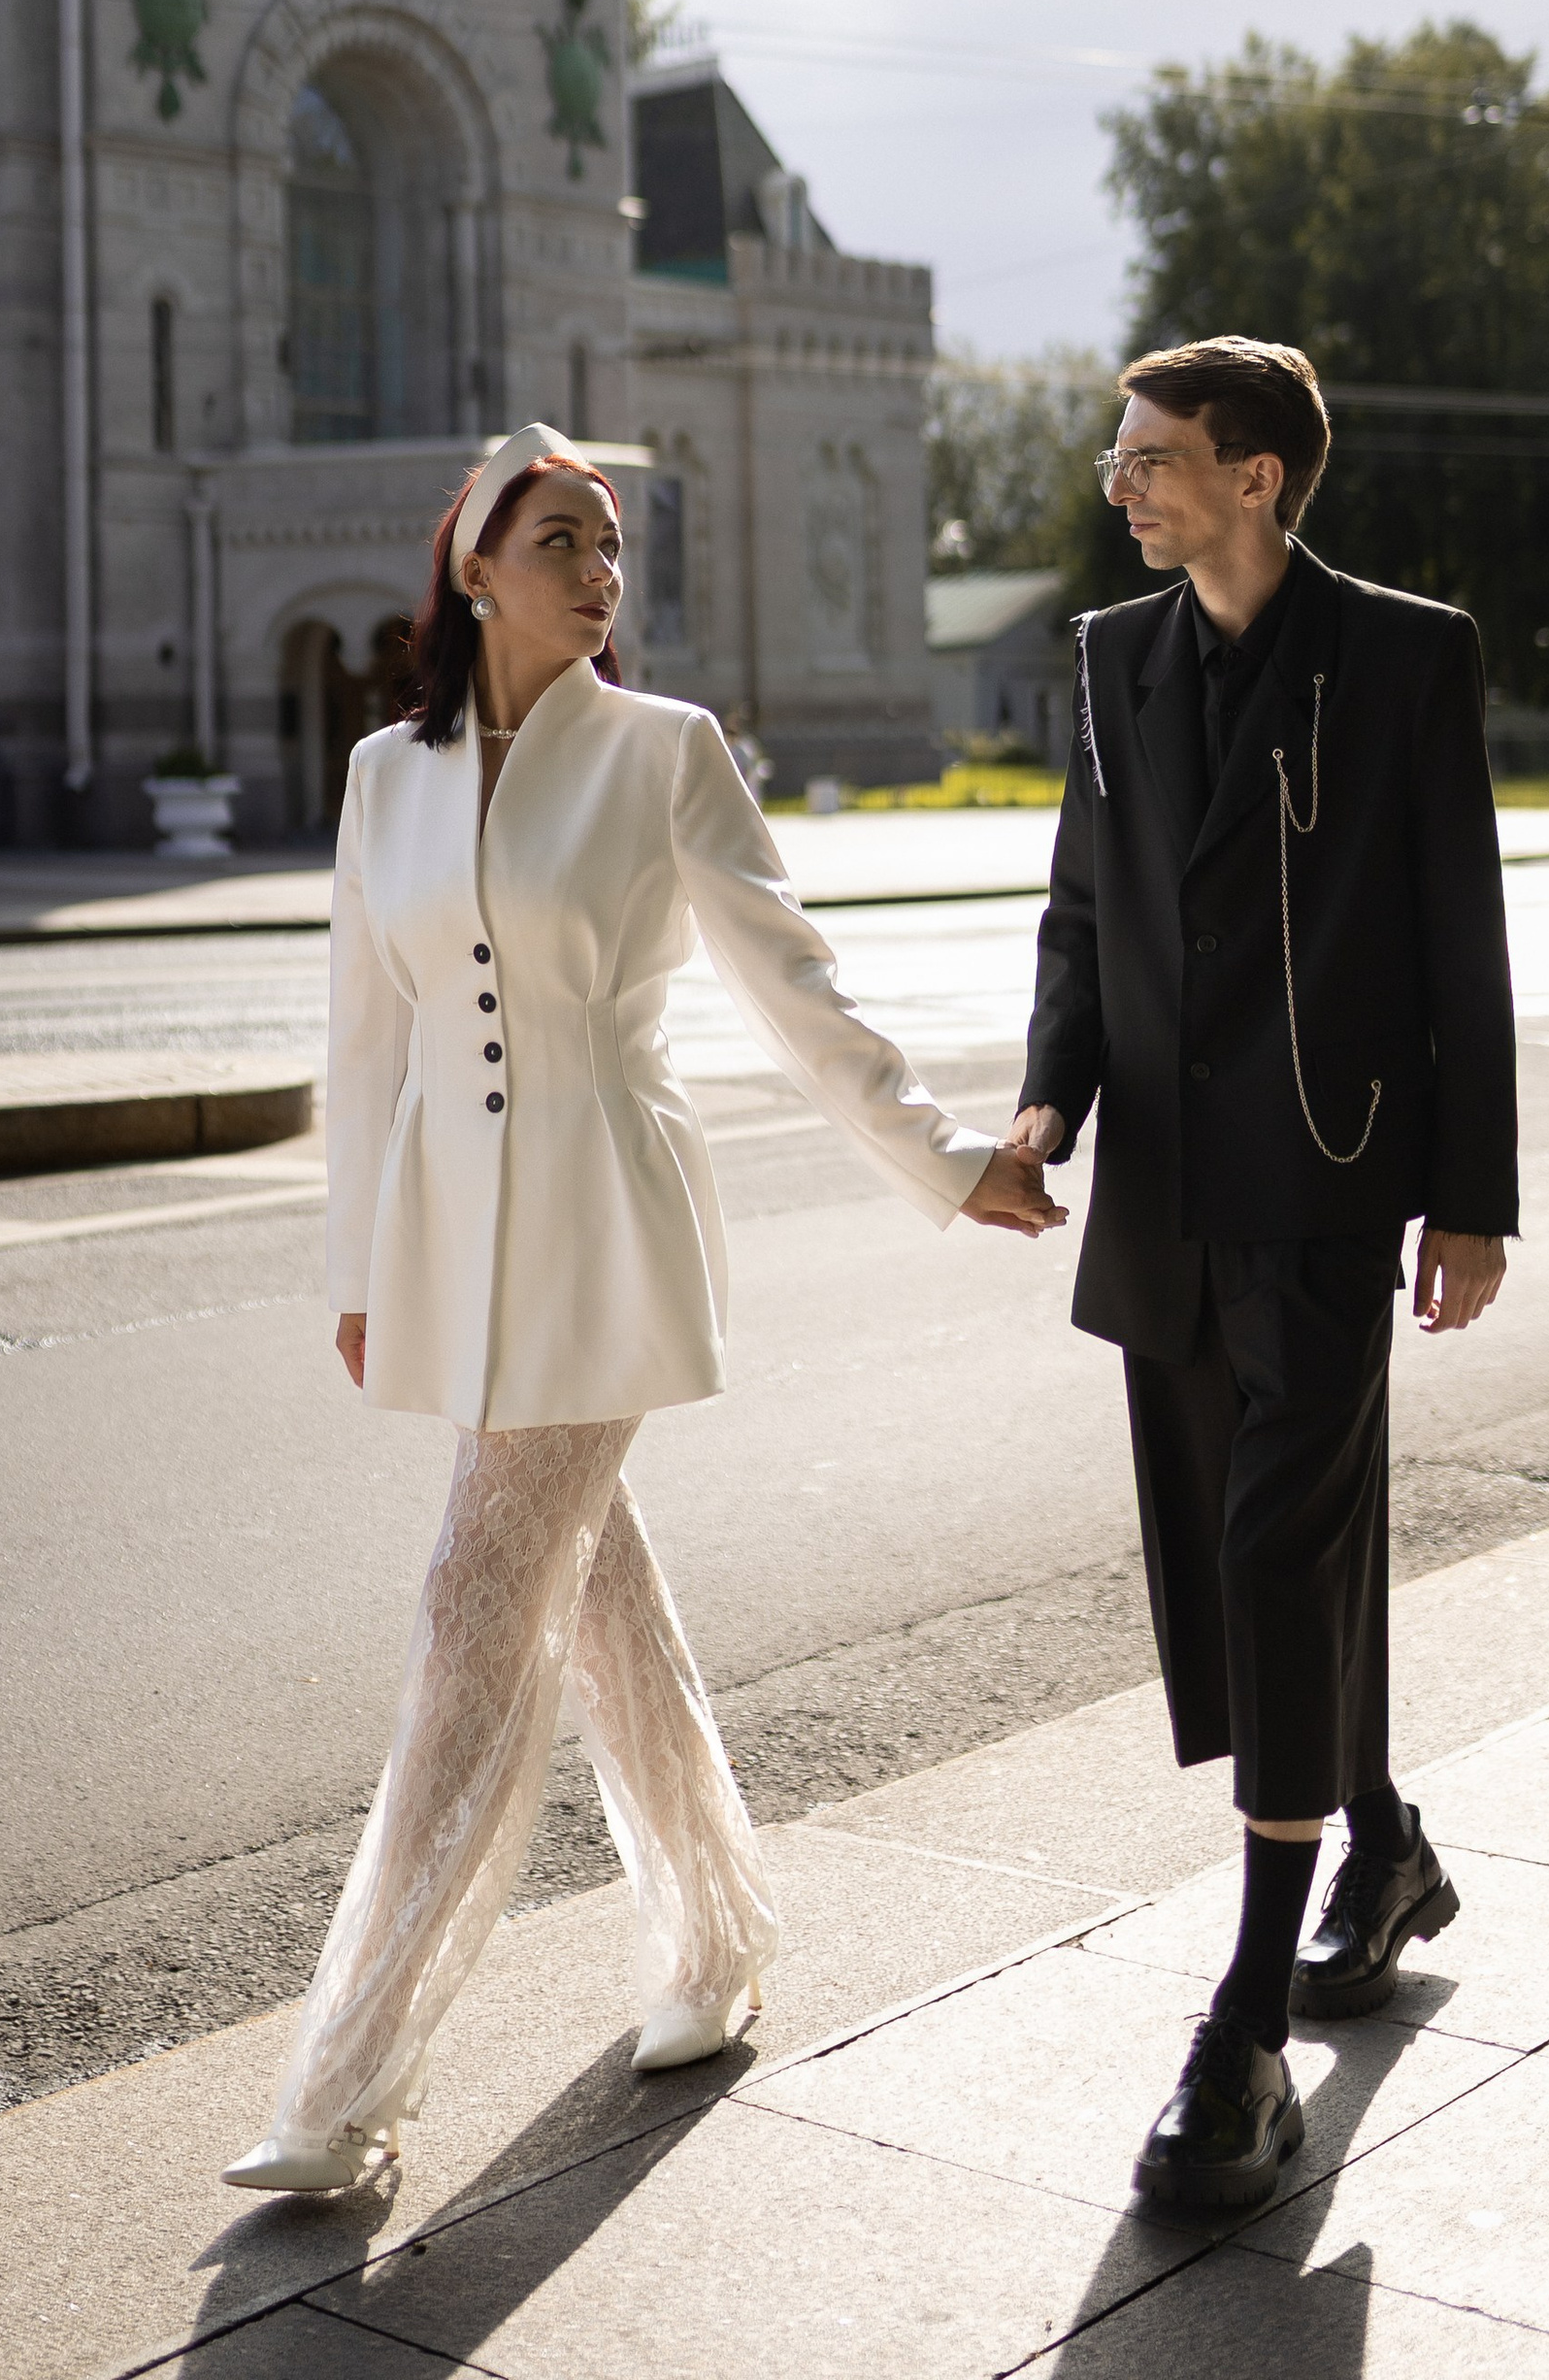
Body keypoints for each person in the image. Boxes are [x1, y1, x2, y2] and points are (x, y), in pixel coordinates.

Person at [223, 421, 1063, 2198]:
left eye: (612, 546)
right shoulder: (390, 775)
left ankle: (344, 2082)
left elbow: (793, 981)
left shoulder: (667, 754)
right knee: (592, 1588)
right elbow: (362, 1043)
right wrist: (359, 1270)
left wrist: (942, 1154)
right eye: (561, 540)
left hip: (607, 1216)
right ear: (474, 569)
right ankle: (713, 1940)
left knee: (472, 1605)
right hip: (458, 1239)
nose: (602, 575)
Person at [1014, 339, 1517, 2213]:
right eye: (1120, 454)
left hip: (1327, 1179)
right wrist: (1043, 1108)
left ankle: (1242, 2021)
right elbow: (1082, 905)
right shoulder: (1112, 659)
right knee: (1255, 1547)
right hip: (1162, 1191)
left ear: (1259, 479)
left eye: (1153, 457)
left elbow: (1457, 924)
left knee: (1271, 1553)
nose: (1118, 481)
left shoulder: (1403, 653)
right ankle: (1376, 1837)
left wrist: (1470, 1197)